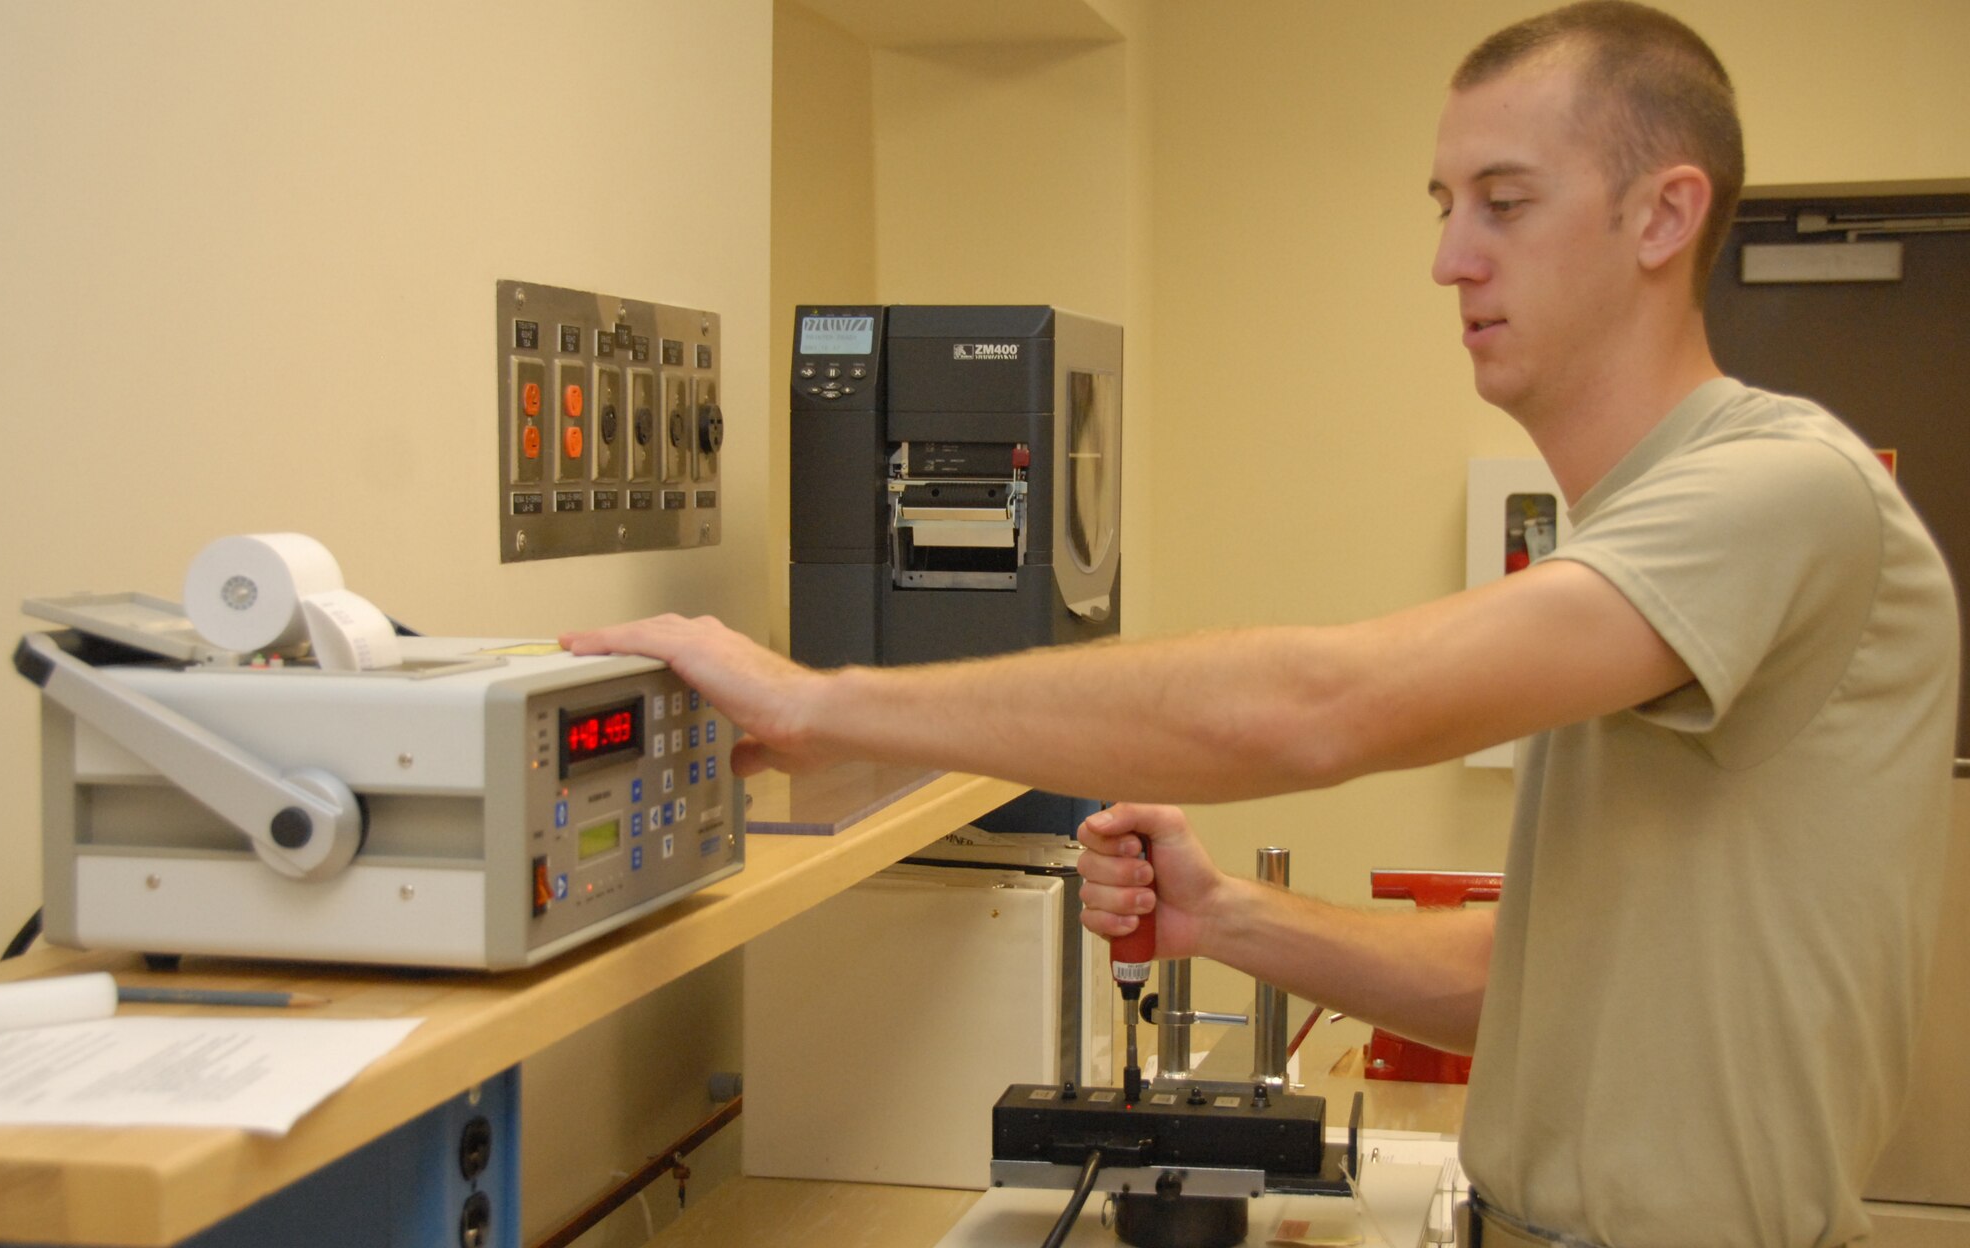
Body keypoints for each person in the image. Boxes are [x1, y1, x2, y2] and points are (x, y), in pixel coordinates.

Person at [563, 3, 1958, 1244]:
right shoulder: (1649, 532)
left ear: (1661, 217)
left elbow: (1319, 706)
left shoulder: (1777, 491)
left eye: (1504, 202)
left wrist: (822, 703)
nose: (1448, 259)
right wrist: (1224, 917)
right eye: (1443, 202)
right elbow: (1521, 982)